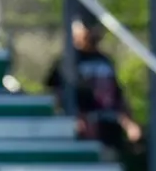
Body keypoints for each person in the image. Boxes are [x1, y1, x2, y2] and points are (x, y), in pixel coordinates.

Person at [45, 20, 144, 151]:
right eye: (86, 29)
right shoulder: (67, 61)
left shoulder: (104, 60)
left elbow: (116, 95)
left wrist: (128, 123)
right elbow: (56, 92)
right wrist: (75, 117)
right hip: (82, 125)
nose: (92, 33)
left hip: (108, 123)